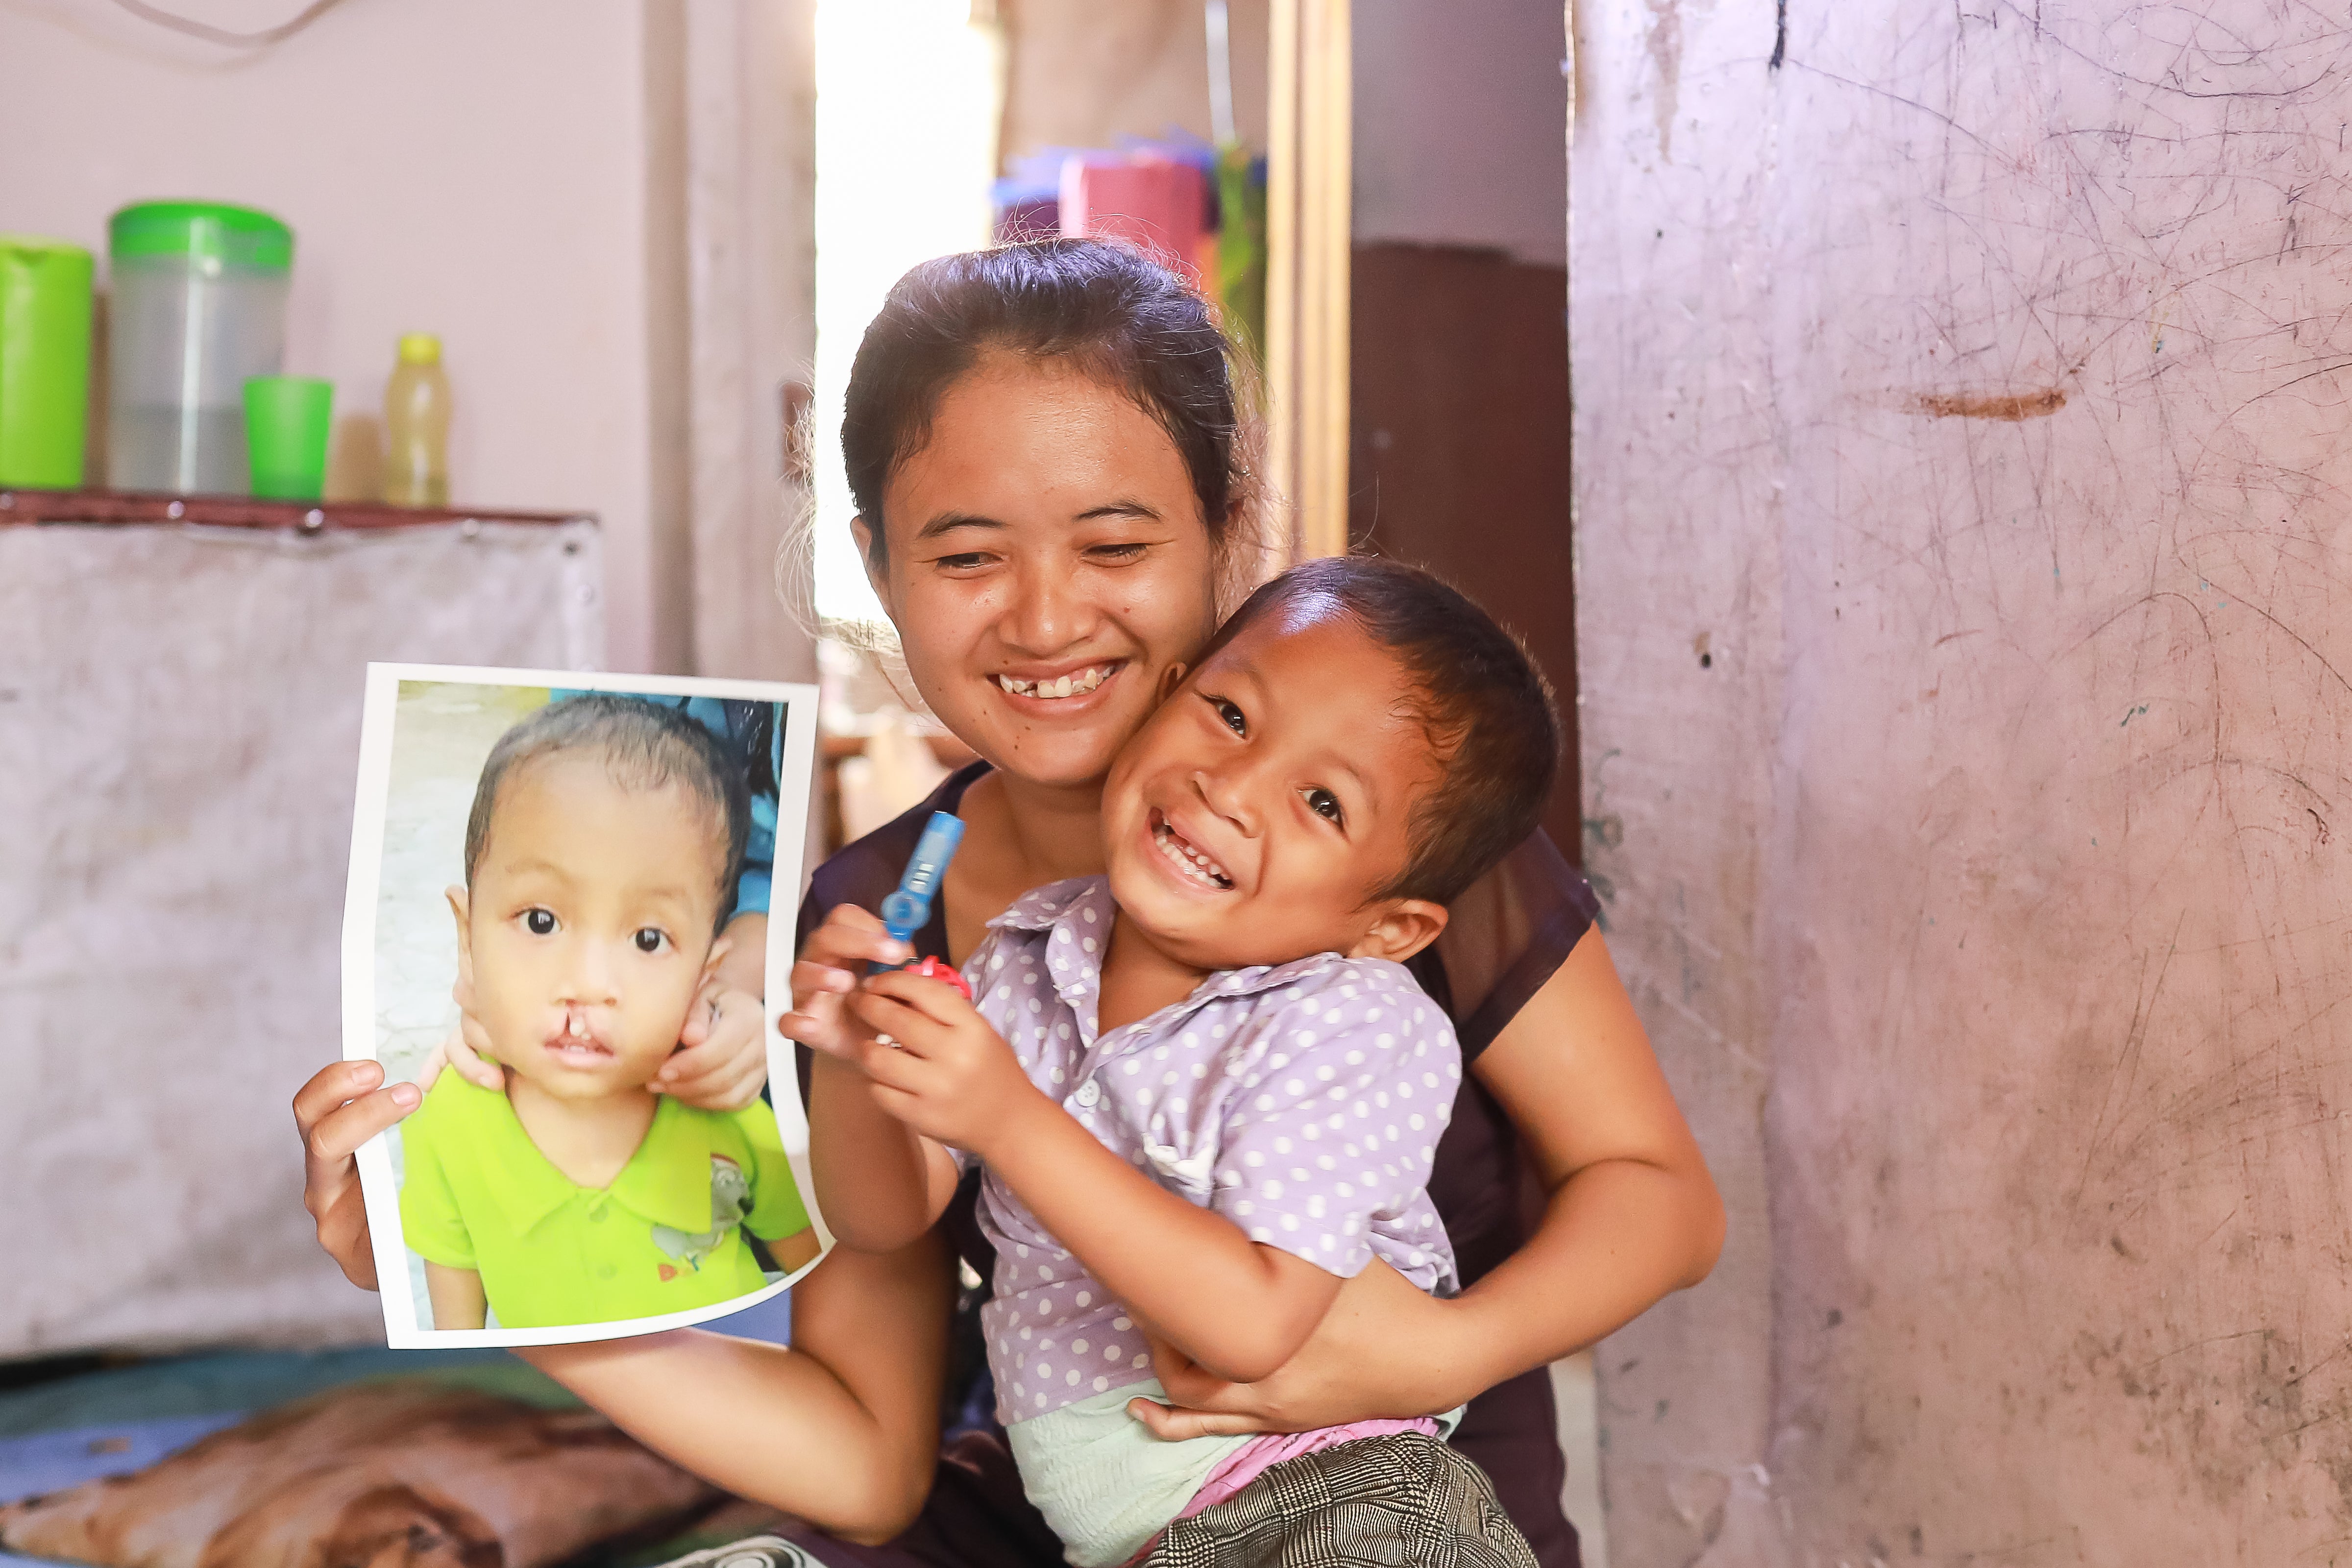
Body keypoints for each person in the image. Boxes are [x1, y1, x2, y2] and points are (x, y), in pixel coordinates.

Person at [293, 237, 1723, 1563]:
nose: (1044, 623)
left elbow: (1658, 1200)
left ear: (1226, 530)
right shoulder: (884, 912)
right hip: (1081, 1517)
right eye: (968, 558)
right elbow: (865, 1455)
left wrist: (1444, 1355)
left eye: (1114, 549)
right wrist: (459, 1266)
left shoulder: (1384, 842)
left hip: (1364, 1514)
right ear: (879, 570)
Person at [813, 557, 1556, 1568]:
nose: (1234, 787)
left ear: (1391, 926)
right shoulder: (1023, 962)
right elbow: (881, 1213)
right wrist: (863, 1060)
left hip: (1339, 1506)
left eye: (1324, 803)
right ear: (1168, 697)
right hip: (1149, 1541)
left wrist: (1011, 1119)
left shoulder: (1350, 1023)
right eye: (1233, 716)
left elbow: (1253, 1325)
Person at [400, 694, 819, 1331]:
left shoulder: (739, 1122)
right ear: (466, 936)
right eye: (541, 922)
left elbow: (822, 1292)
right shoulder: (446, 1119)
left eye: (648, 940)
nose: (588, 985)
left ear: (707, 973)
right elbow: (455, 1337)